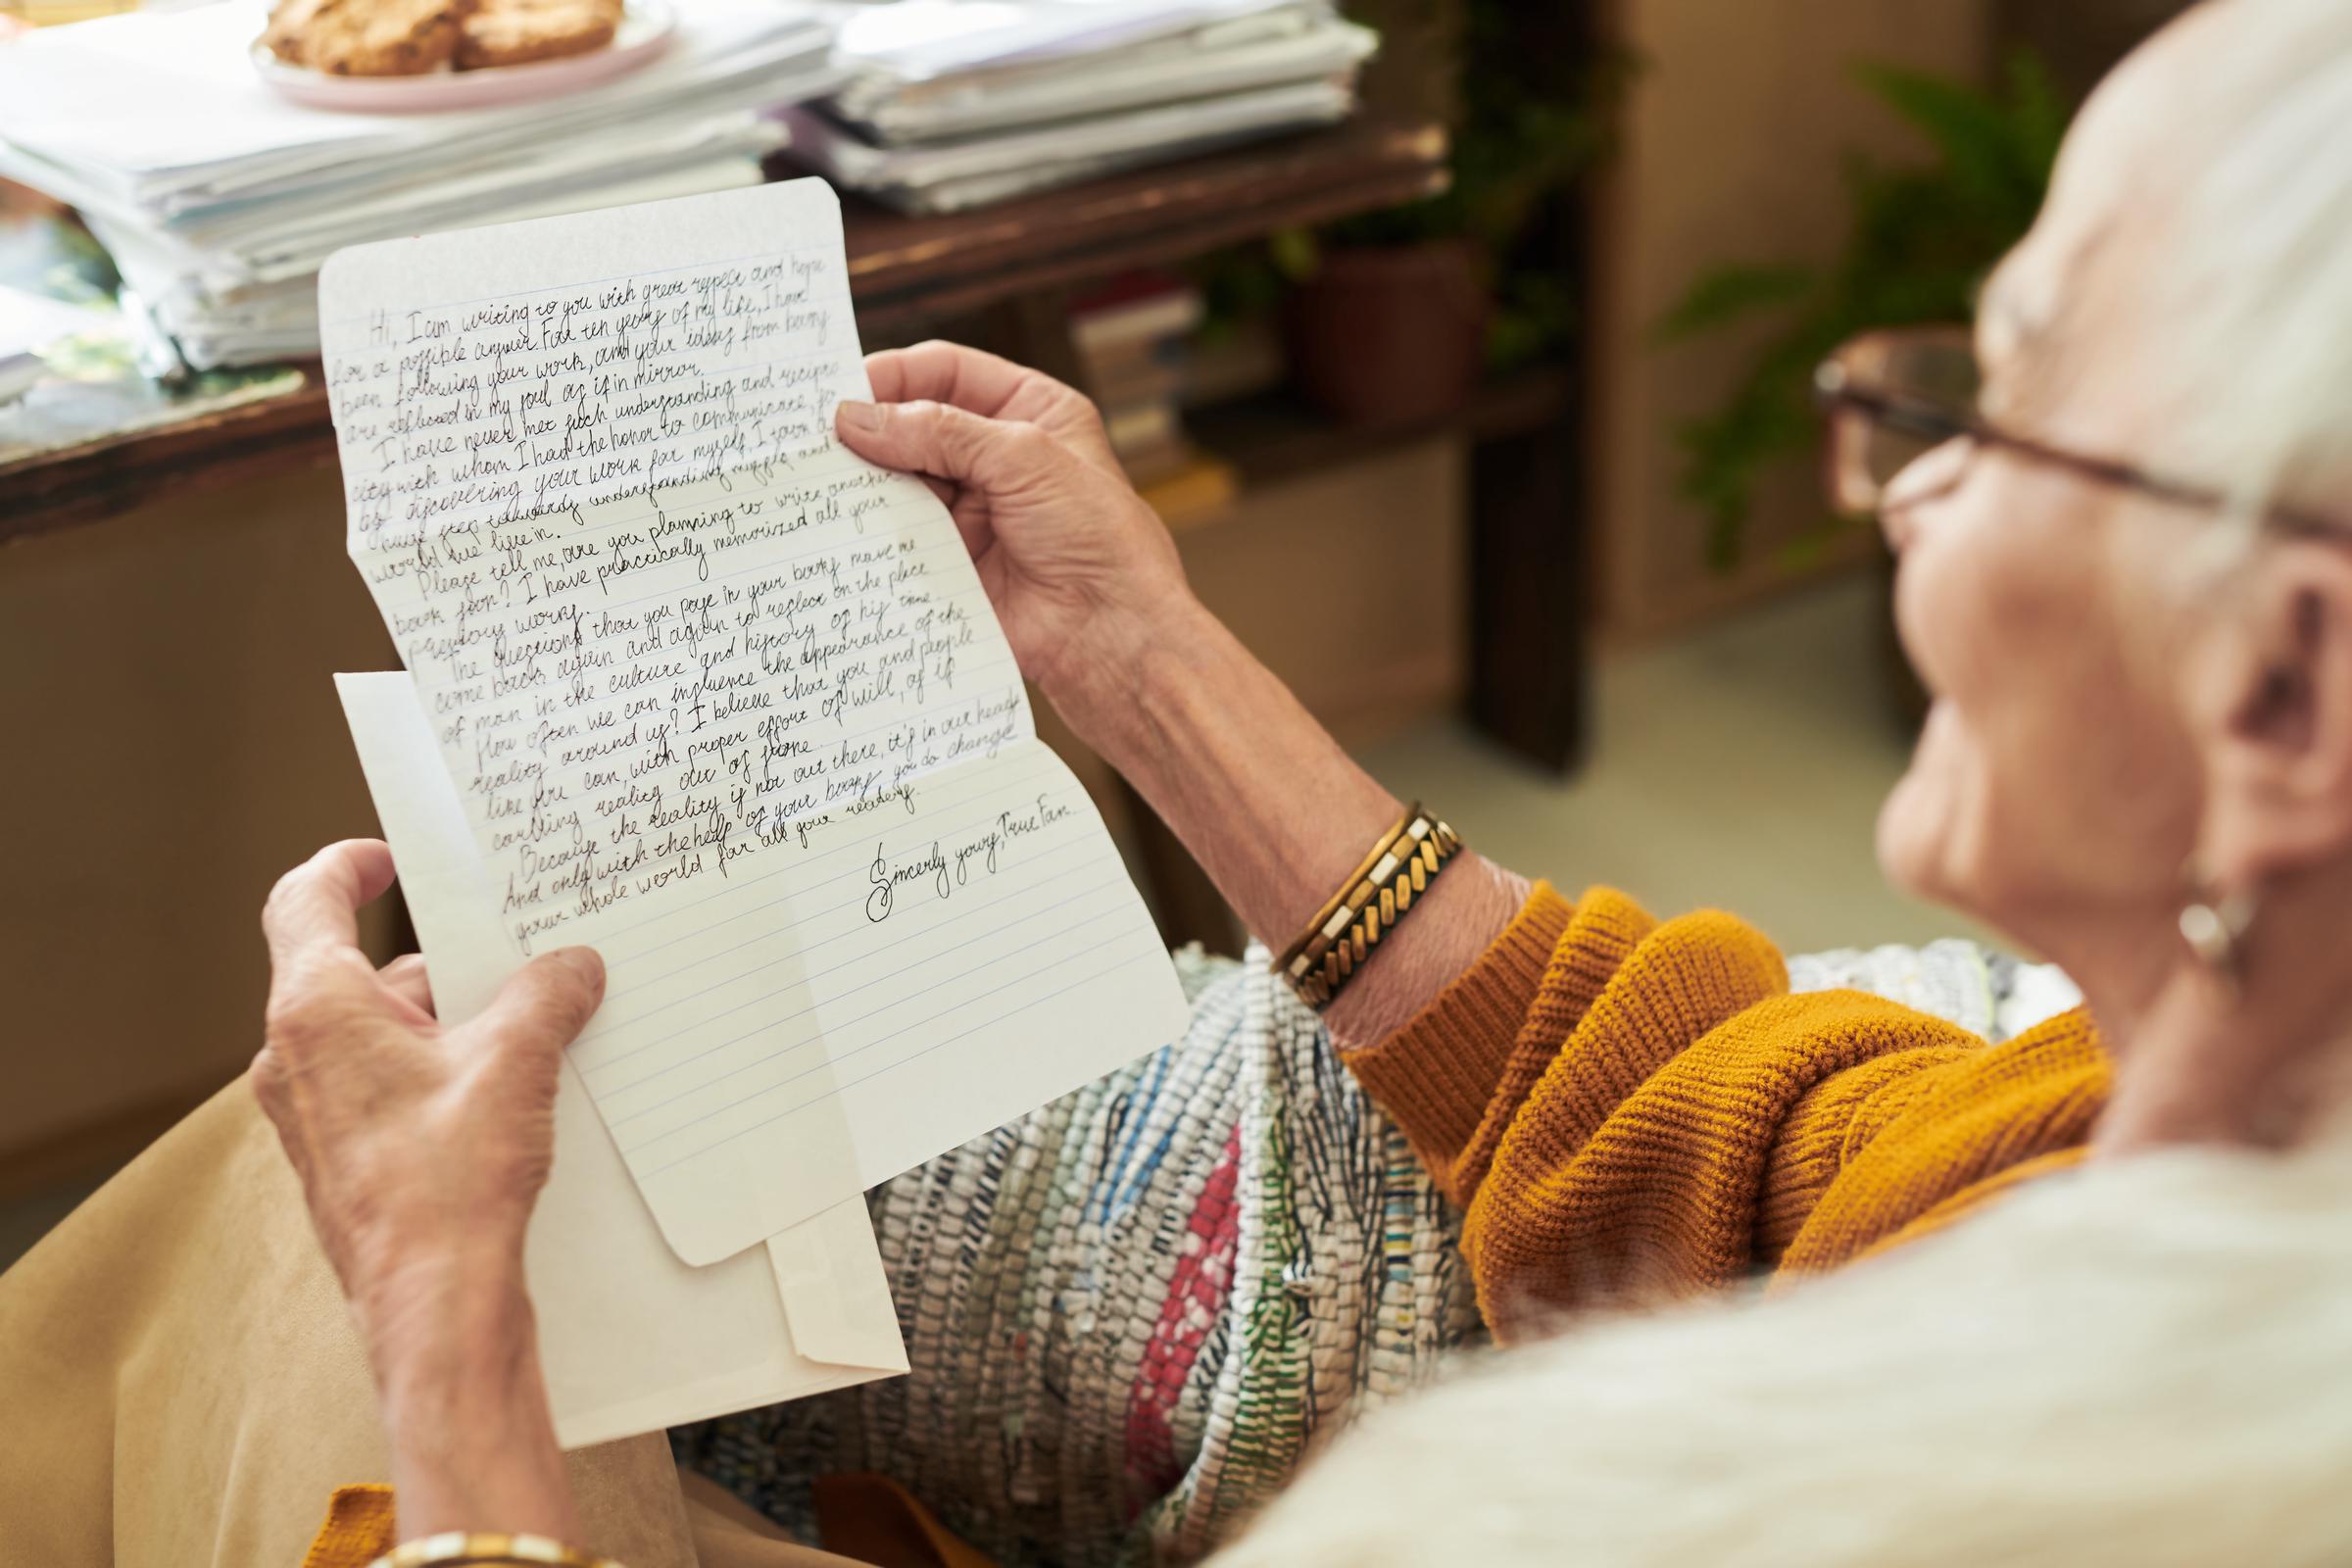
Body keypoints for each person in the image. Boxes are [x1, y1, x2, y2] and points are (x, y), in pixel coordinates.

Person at [7, 0, 2352, 1562]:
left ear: (2285, 699)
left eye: (1991, 393)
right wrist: (1152, 671)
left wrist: (452, 1345)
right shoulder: (2166, 1140)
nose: (1891, 478)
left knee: (313, 1228)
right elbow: (1757, 1128)